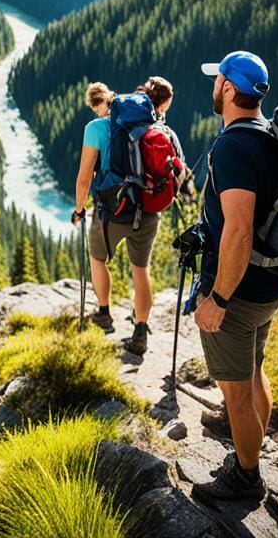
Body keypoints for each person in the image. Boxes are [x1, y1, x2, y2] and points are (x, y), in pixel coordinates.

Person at [191, 51, 278, 504]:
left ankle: (246, 477)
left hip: (239, 291)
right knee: (253, 372)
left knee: (236, 393)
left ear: (229, 89)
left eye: (218, 80)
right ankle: (251, 453)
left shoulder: (232, 145)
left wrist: (219, 298)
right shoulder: (272, 137)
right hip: (271, 283)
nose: (214, 87)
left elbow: (240, 228)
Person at [72, 79, 175, 355]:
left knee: (98, 258)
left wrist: (79, 209)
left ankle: (104, 314)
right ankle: (140, 330)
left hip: (113, 210)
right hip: (148, 210)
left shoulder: (96, 128)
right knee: (141, 269)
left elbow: (84, 178)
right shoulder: (155, 128)